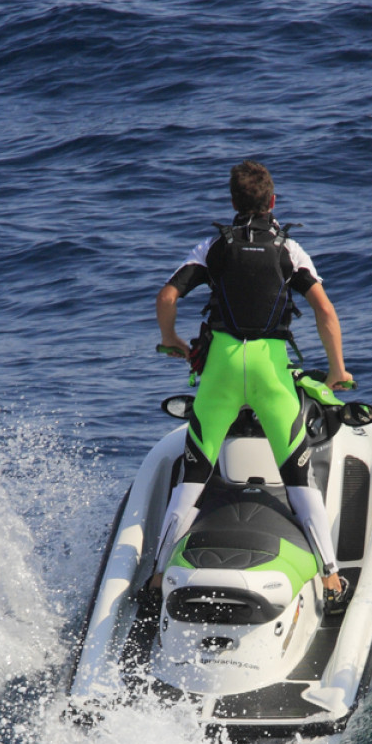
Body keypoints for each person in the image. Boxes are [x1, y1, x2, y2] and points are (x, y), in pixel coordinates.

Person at [152, 159, 353, 607]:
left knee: (193, 477)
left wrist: (171, 339)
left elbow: (167, 296)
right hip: (270, 372)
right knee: (300, 480)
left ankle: (157, 577)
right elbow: (324, 311)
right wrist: (337, 369)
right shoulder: (289, 250)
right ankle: (331, 579)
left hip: (221, 369)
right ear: (272, 202)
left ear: (232, 201)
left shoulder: (213, 248)